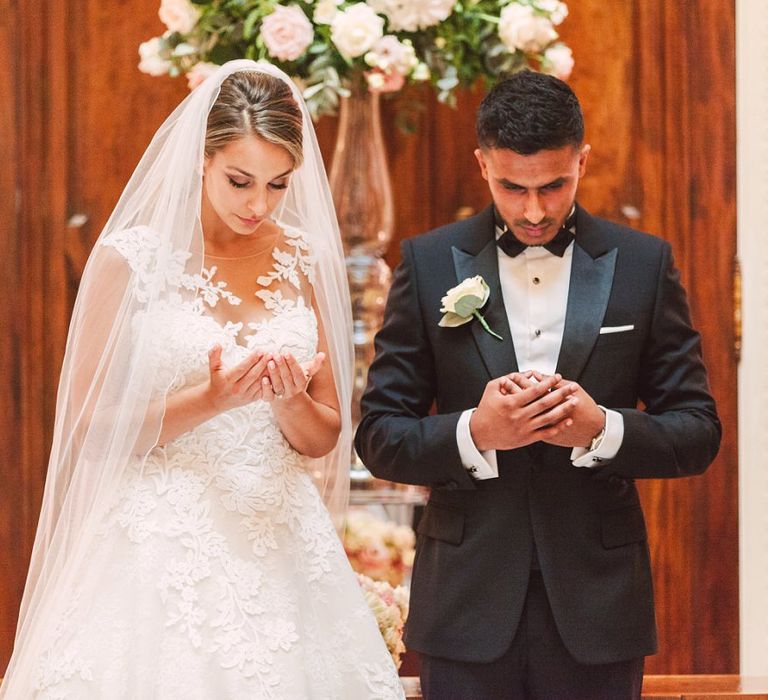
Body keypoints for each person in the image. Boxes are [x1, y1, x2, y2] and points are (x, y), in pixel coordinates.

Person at [1, 60, 404, 699]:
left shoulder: (304, 257)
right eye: (240, 180)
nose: (258, 204)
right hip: (158, 545)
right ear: (200, 158)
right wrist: (211, 398)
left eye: (277, 184)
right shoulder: (130, 259)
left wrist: (290, 400)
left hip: (279, 539)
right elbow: (89, 427)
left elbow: (326, 434)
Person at [355, 70, 721, 699]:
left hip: (599, 606)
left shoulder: (643, 263)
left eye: (554, 185)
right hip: (464, 605)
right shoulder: (427, 260)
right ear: (482, 165)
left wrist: (602, 429)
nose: (533, 210)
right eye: (511, 187)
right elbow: (380, 436)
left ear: (583, 159)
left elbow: (697, 432)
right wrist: (477, 431)